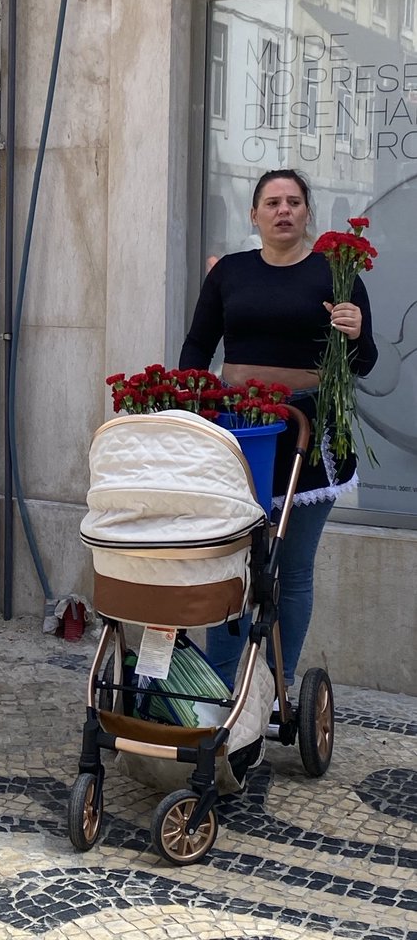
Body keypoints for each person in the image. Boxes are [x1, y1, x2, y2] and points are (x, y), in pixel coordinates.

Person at [178, 169, 378, 694]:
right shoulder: (229, 273)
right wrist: (191, 405)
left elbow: (364, 362)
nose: (283, 210)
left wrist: (355, 332)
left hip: (309, 434)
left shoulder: (337, 275)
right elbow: (199, 344)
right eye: (272, 202)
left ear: (308, 212)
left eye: (293, 201)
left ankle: (276, 689)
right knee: (231, 564)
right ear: (254, 214)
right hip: (239, 431)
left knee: (290, 569)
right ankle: (223, 688)